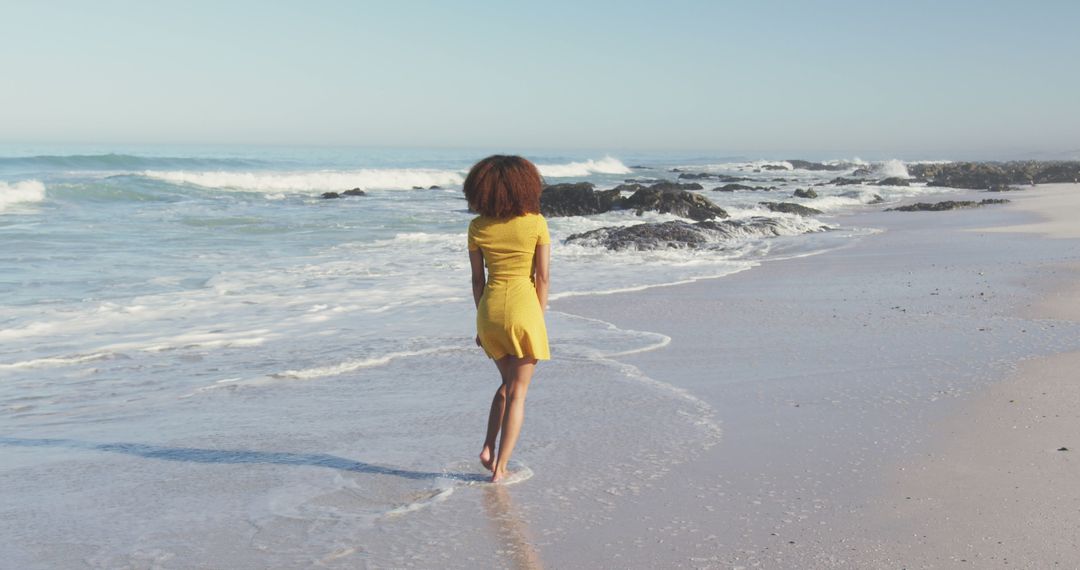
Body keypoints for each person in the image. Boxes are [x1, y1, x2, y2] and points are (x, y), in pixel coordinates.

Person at [464, 155, 551, 483]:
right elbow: (542, 278)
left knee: (507, 384)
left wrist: (480, 324)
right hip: (523, 310)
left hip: (489, 312)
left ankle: (488, 446)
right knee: (518, 392)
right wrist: (538, 321)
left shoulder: (477, 227)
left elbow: (477, 281)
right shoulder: (536, 223)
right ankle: (500, 468)